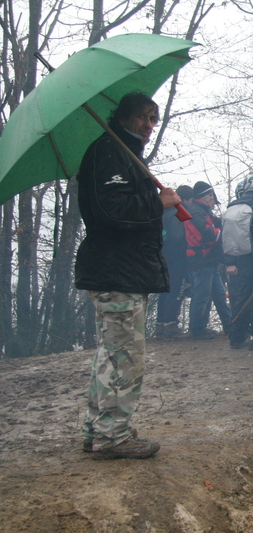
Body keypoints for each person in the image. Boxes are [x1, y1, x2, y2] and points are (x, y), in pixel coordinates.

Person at [75, 91, 181, 458]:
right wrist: (157, 202)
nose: (149, 125)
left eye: (153, 119)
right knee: (123, 357)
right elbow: (110, 211)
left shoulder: (123, 153)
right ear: (123, 117)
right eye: (143, 117)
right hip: (116, 271)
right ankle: (113, 436)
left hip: (123, 269)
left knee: (112, 354)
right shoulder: (109, 152)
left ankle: (97, 429)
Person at [222, 171, 253, 349]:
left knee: (240, 298)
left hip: (238, 260)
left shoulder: (232, 208)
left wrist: (229, 261)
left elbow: (225, 238)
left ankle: (237, 336)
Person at [185, 181, 232, 339]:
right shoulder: (196, 212)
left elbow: (214, 226)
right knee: (202, 296)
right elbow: (208, 234)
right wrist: (224, 231)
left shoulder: (202, 211)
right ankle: (196, 329)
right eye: (210, 195)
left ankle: (230, 325)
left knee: (219, 295)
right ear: (204, 196)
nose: (212, 199)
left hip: (209, 260)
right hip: (202, 259)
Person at [155, 184, 193, 338]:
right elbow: (177, 236)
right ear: (187, 199)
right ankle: (170, 325)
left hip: (163, 255)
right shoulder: (179, 212)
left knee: (165, 290)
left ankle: (160, 324)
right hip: (177, 257)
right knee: (176, 290)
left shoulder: (163, 211)